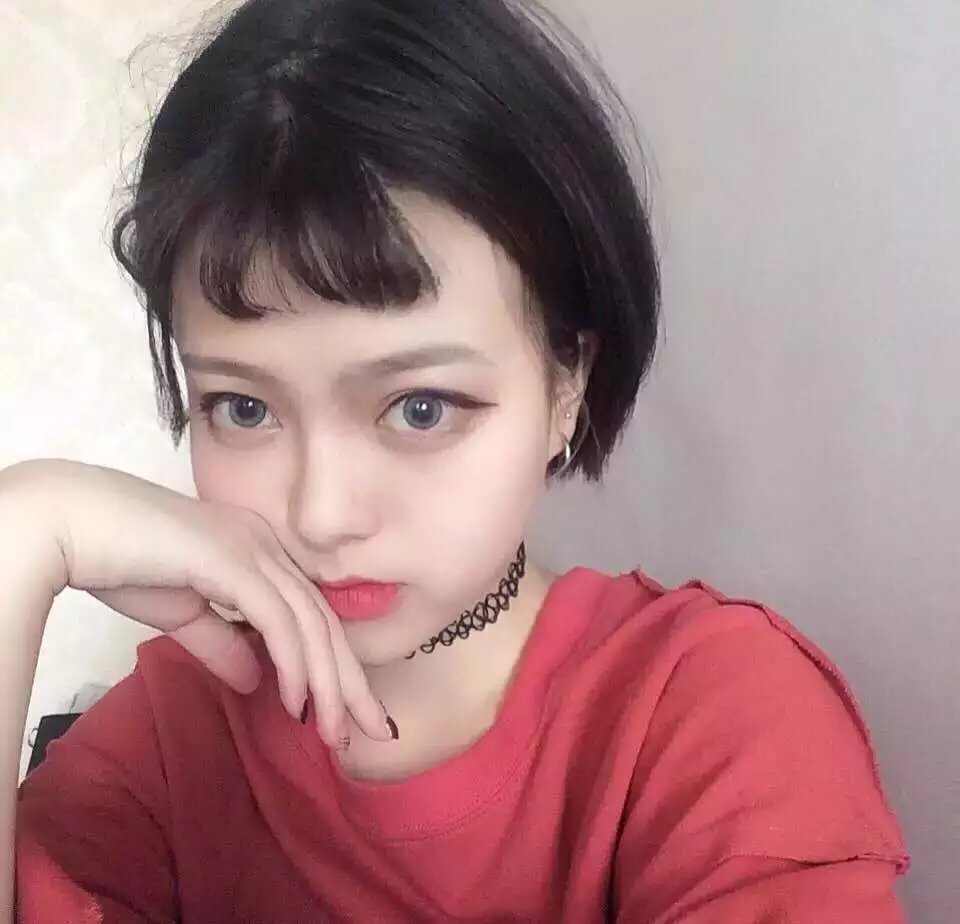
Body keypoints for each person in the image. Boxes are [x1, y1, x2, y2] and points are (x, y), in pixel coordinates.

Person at [0, 0, 909, 920]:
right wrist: (23, 530)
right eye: (243, 408)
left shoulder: (707, 711)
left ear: (566, 385)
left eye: (420, 407)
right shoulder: (174, 729)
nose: (321, 514)